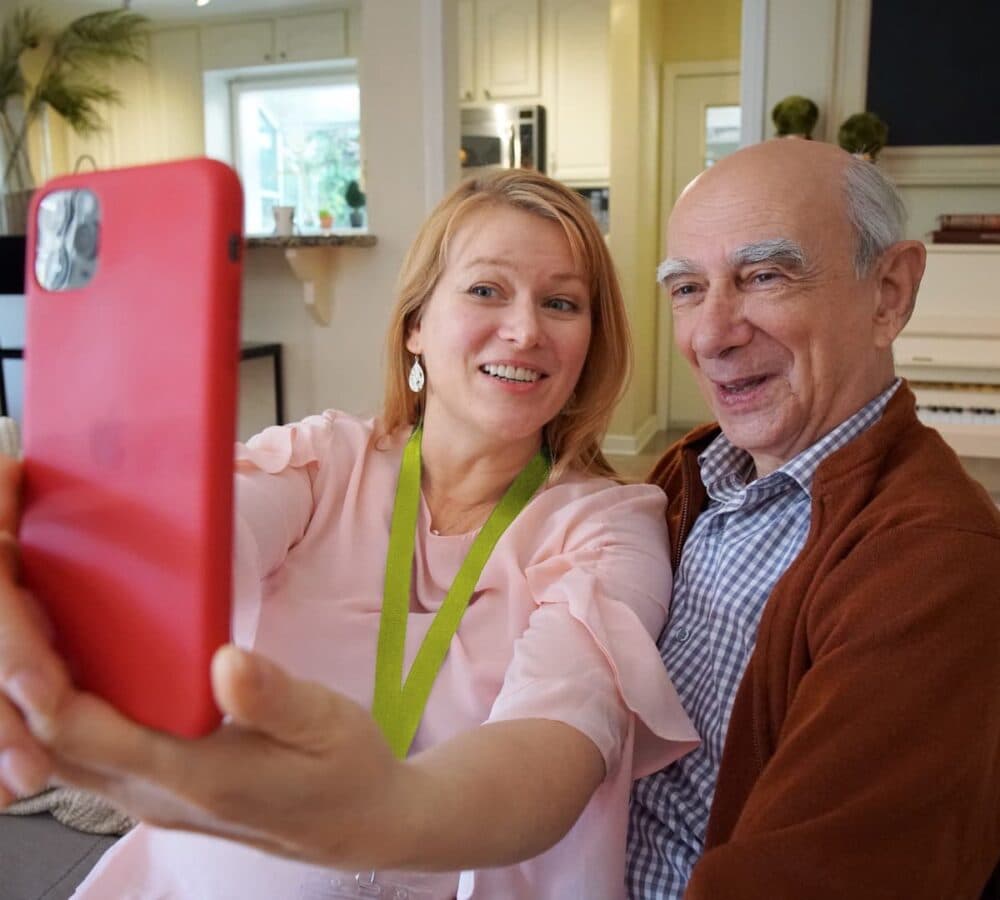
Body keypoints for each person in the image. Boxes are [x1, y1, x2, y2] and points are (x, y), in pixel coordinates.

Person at [0, 168, 698, 898]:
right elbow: (193, 545)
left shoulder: (608, 527)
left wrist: (381, 815)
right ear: (415, 326)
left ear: (589, 344)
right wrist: (63, 568)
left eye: (561, 303)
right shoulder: (320, 462)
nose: (525, 330)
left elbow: (562, 741)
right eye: (487, 290)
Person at [627, 138, 1000, 899]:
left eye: (764, 276)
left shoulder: (934, 564)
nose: (711, 335)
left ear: (889, 293)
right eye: (689, 289)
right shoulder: (692, 473)